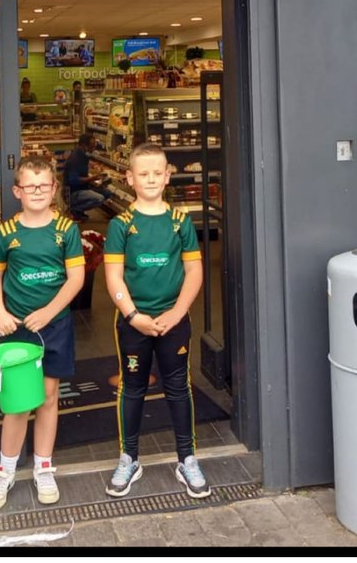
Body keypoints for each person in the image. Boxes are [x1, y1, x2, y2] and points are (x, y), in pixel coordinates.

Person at [104, 144, 206, 499]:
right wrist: (134, 316)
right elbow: (113, 277)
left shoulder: (180, 221)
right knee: (132, 388)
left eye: (156, 173)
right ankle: (129, 458)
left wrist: (177, 313)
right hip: (134, 325)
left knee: (179, 387)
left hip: (174, 322)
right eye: (142, 174)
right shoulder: (120, 224)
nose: (150, 179)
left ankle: (187, 458)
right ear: (129, 178)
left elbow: (194, 270)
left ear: (167, 176)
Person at [0, 157, 84, 509]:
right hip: (18, 327)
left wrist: (49, 312)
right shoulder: (6, 233)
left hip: (54, 325)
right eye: (30, 186)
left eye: (44, 185)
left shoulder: (67, 230)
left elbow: (76, 279)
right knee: (17, 401)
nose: (38, 192)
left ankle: (43, 467)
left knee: (49, 395)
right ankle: (5, 471)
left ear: (54, 189)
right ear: (17, 191)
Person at [63, 131, 115, 218]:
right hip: (73, 192)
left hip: (83, 187)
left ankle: (79, 210)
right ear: (84, 145)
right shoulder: (75, 159)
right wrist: (92, 179)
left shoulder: (83, 155)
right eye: (92, 146)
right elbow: (73, 181)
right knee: (99, 198)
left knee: (107, 193)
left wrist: (97, 181)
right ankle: (75, 210)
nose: (94, 148)